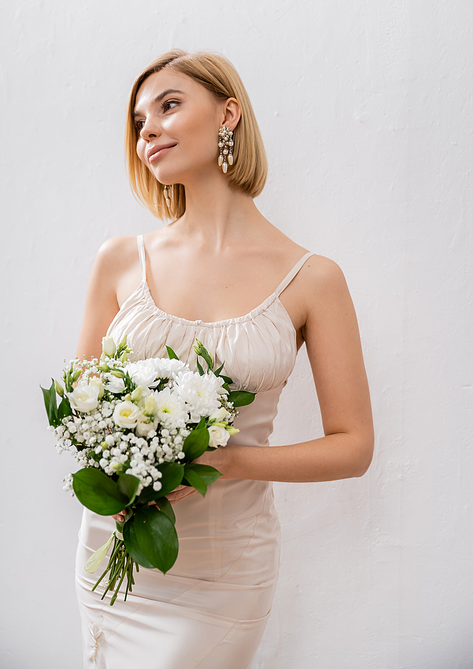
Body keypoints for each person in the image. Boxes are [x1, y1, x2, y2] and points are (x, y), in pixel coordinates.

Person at [74, 49, 374, 668]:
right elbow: (81, 415)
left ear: (228, 114)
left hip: (226, 573)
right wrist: (119, 470)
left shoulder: (313, 279)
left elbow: (354, 445)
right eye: (138, 121)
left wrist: (228, 460)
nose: (148, 129)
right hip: (115, 561)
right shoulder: (120, 260)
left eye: (170, 104)